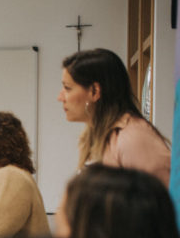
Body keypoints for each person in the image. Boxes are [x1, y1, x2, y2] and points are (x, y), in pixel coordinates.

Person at [59, 48, 170, 185]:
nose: (60, 97)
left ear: (94, 91)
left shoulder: (133, 138)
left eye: (67, 88)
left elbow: (162, 201)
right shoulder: (93, 136)